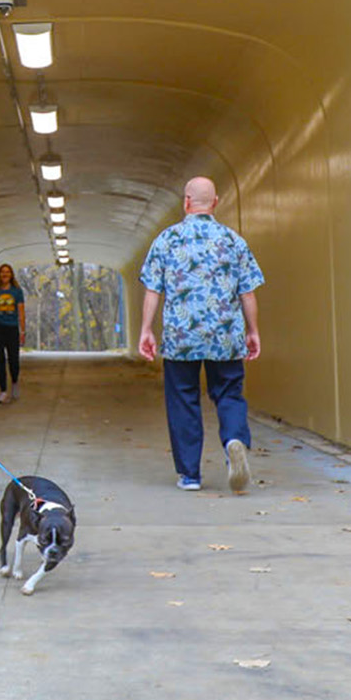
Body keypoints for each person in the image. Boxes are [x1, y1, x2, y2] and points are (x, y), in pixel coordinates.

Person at [136, 176, 264, 493]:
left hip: (181, 336)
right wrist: (253, 331)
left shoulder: (167, 239)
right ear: (215, 202)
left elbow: (153, 289)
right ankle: (234, 438)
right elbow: (247, 292)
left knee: (183, 400)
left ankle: (190, 475)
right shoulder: (233, 241)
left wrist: (146, 330)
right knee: (229, 393)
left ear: (186, 201)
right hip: (225, 334)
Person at [0, 263, 24, 403]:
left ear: (11, 275)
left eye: (7, 272)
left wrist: (22, 331)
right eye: (2, 272)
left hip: (12, 329)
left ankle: (14, 382)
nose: (5, 274)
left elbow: (21, 312)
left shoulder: (17, 292)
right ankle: (3, 391)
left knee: (14, 360)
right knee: (0, 360)